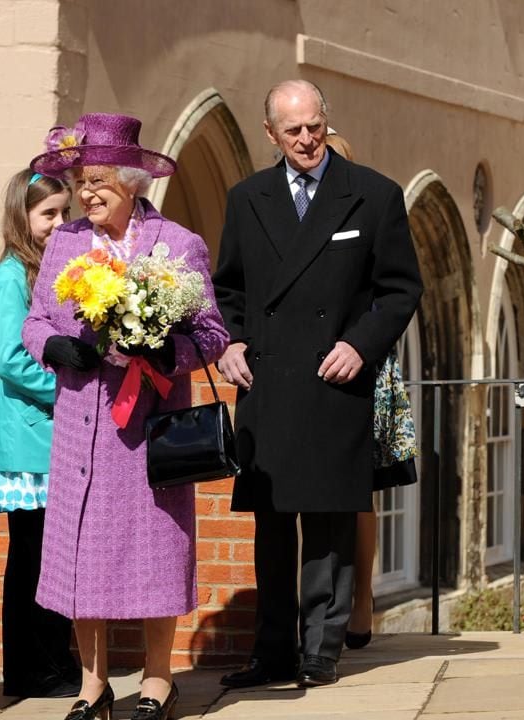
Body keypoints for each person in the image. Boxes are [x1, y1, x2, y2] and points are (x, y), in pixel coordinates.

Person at [213, 80, 423, 688]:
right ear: (270, 135)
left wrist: (360, 344)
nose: (306, 140)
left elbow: (400, 289)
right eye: (293, 130)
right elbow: (228, 289)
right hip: (268, 377)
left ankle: (320, 648)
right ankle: (272, 650)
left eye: (314, 126)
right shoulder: (246, 197)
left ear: (325, 122)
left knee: (330, 520)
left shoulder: (375, 195)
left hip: (338, 376)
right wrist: (227, 342)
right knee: (273, 521)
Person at [22, 112, 229, 720]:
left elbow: (212, 334)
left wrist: (169, 349)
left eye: (100, 181)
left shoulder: (179, 244)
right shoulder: (64, 244)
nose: (87, 193)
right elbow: (36, 323)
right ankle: (93, 686)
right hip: (84, 424)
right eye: (82, 180)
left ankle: (157, 682)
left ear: (134, 181)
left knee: (154, 550)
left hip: (150, 427)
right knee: (83, 553)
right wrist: (56, 348)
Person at [0, 169, 82, 699]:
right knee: (32, 559)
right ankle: (30, 670)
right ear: (22, 216)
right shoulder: (11, 276)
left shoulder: (53, 268)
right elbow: (13, 359)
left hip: (53, 439)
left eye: (65, 212)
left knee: (52, 556)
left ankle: (50, 661)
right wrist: (72, 390)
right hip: (28, 441)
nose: (58, 223)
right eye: (48, 214)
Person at [323, 129, 418, 650]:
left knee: (359, 495)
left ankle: (362, 603)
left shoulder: (371, 205)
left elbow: (393, 289)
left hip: (364, 361)